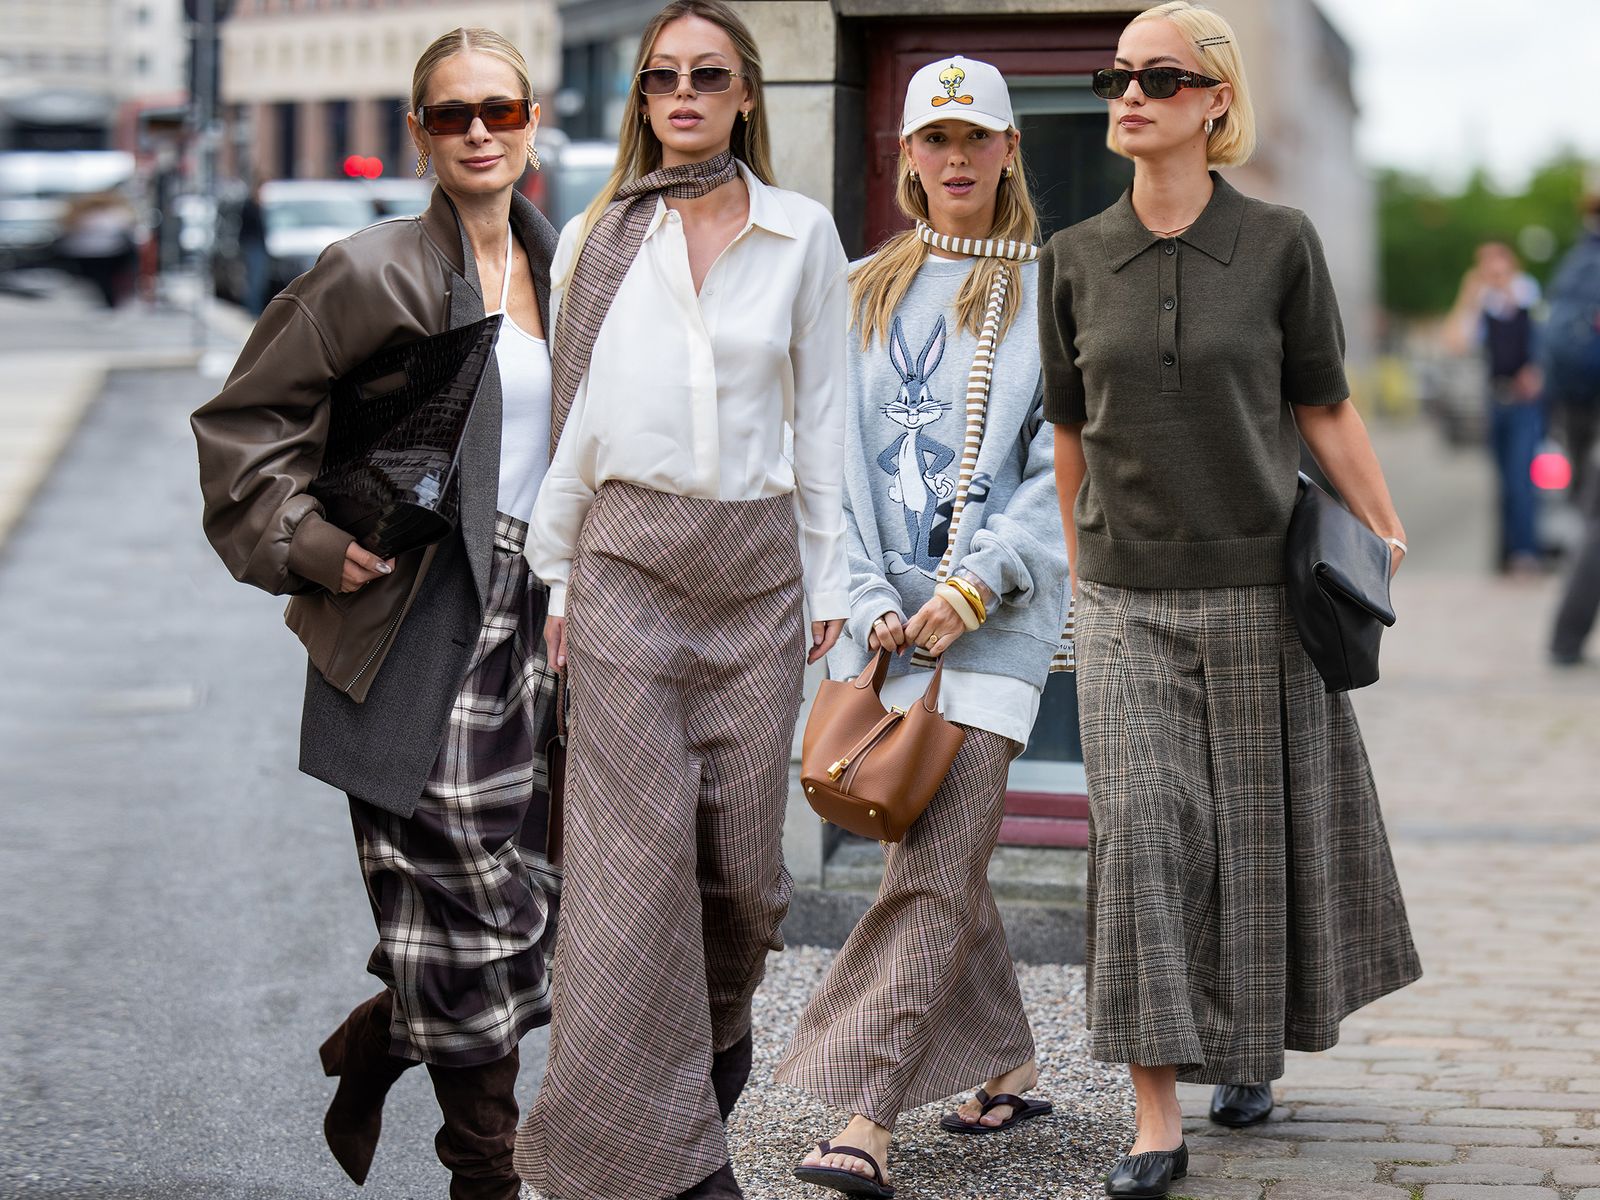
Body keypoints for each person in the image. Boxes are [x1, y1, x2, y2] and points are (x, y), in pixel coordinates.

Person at [1038, 4, 1422, 1196]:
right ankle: (1156, 1112)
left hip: (1261, 588)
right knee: (1146, 842)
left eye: (1159, 76)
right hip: (1123, 599)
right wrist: (1078, 567)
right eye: (1117, 76)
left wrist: (1383, 524)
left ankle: (1244, 1056)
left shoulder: (1279, 243)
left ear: (1215, 101)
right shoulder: (1073, 257)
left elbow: (1324, 406)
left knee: (1251, 842)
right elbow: (1067, 434)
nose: (1129, 94)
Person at [191, 28, 560, 1199]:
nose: (480, 133)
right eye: (453, 115)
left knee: (535, 914)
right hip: (416, 633)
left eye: (499, 110)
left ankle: (384, 1034)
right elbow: (243, 425)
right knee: (466, 905)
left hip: (548, 632)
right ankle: (484, 1174)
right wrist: (305, 540)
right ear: (420, 134)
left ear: (531, 120)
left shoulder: (582, 274)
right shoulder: (370, 272)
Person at [511, 3, 850, 1198]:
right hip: (623, 569)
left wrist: (837, 585)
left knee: (743, 880)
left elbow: (825, 427)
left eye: (709, 75)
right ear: (644, 100)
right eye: (664, 78)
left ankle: (701, 1072)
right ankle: (668, 1164)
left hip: (755, 580)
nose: (686, 94)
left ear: (746, 93)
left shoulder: (802, 235)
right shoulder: (597, 239)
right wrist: (554, 576)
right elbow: (570, 426)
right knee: (631, 868)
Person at [773, 55, 1069, 1200]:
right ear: (906, 157)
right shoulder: (856, 289)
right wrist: (857, 591)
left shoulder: (1048, 292)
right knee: (929, 843)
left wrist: (976, 585)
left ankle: (864, 1114)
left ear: (1007, 152)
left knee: (933, 871)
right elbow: (828, 467)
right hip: (882, 627)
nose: (955, 160)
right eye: (934, 141)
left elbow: (1060, 472)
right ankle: (1007, 1058)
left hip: (986, 627)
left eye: (975, 139)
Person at [1449, 242, 1546, 574]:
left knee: (1521, 480)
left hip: (1523, 404)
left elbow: (1541, 345)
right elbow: (1457, 343)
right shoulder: (1484, 309)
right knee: (1503, 484)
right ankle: (1507, 554)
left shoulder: (1528, 299)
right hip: (1496, 400)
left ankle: (1525, 552)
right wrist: (1470, 296)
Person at [1544, 192, 1600, 666]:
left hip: (1580, 408)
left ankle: (1566, 638)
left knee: (1594, 520)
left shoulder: (1576, 263)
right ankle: (1565, 641)